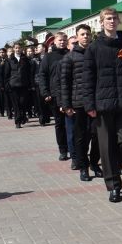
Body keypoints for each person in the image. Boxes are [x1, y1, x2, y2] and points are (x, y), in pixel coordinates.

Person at [83, 8, 122, 203]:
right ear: (101, 22)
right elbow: (88, 78)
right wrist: (89, 104)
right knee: (106, 147)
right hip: (102, 105)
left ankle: (114, 171)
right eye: (108, 18)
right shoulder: (93, 48)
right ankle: (113, 185)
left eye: (115, 18)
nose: (112, 21)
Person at [60, 25, 101, 182]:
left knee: (97, 135)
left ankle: (94, 164)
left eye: (88, 34)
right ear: (76, 37)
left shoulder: (96, 53)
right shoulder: (69, 57)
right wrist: (66, 105)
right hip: (78, 103)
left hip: (96, 102)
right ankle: (83, 167)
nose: (85, 37)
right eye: (82, 34)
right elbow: (64, 83)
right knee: (81, 137)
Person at [39, 32, 72, 161]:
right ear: (54, 42)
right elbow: (42, 75)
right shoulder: (48, 57)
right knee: (60, 124)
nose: (62, 42)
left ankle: (73, 148)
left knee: (72, 124)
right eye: (60, 40)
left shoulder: (70, 54)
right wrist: (45, 92)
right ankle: (63, 150)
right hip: (55, 95)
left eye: (64, 40)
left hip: (70, 94)